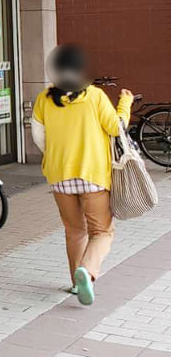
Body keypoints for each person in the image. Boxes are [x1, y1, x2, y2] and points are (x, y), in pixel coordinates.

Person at [30, 44, 132, 306]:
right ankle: (87, 270)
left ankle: (77, 284)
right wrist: (125, 103)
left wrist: (57, 156)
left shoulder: (44, 98)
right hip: (92, 174)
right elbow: (116, 128)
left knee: (74, 231)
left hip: (59, 175)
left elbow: (39, 138)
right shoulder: (94, 96)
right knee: (102, 232)